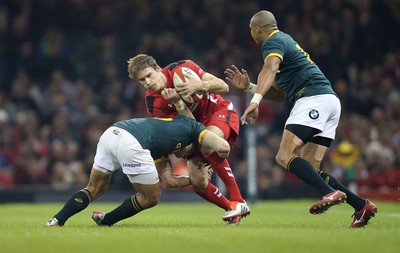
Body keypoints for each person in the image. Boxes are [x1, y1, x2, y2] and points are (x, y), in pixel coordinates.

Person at [224, 10, 377, 228]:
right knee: (310, 169)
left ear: (257, 29)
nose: (251, 34)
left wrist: (255, 102)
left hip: (312, 98)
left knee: (284, 156)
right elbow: (278, 94)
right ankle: (361, 205)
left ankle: (329, 193)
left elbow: (270, 68)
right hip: (329, 101)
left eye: (251, 30)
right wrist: (249, 87)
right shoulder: (285, 42)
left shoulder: (273, 41)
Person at [45, 101, 231, 227]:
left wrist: (195, 180)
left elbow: (170, 181)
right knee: (151, 198)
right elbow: (222, 145)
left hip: (112, 133)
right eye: (187, 153)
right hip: (132, 142)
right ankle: (107, 220)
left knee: (94, 187)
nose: (182, 156)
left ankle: (57, 220)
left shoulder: (164, 141)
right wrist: (220, 154)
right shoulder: (193, 128)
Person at [127, 54, 250, 224]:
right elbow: (190, 127)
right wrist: (178, 103)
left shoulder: (183, 67)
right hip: (197, 127)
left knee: (208, 145)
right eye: (142, 80)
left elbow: (223, 87)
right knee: (198, 181)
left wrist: (201, 84)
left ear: (157, 69)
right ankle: (232, 210)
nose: (148, 82)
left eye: (149, 75)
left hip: (218, 112)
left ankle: (238, 200)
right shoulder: (153, 103)